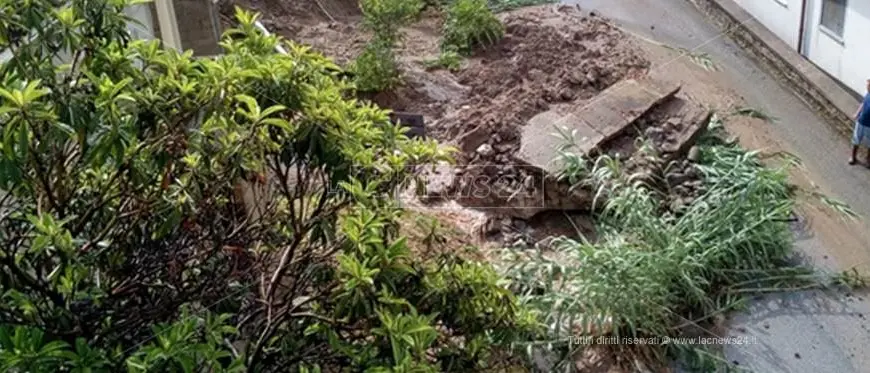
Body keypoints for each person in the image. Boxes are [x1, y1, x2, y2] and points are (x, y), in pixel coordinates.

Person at [849, 79, 870, 166]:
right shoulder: (868, 94)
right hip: (861, 121)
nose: (867, 87)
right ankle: (853, 157)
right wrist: (857, 113)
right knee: (856, 139)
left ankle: (868, 160)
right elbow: (863, 104)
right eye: (868, 86)